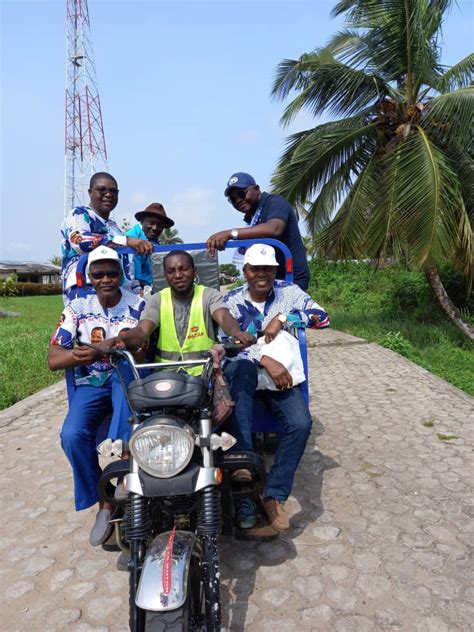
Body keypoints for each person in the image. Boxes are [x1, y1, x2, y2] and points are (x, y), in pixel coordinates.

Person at [222, 243, 329, 534]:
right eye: (255, 268)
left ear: (275, 270)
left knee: (300, 423)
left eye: (267, 269)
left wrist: (283, 319)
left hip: (278, 381)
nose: (261, 275)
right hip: (245, 377)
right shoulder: (230, 301)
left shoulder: (289, 293)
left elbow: (323, 317)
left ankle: (274, 495)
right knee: (241, 370)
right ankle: (244, 487)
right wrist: (265, 358)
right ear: (245, 271)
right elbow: (226, 346)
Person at [48, 246, 146, 546]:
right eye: (99, 273)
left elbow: (142, 349)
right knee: (72, 435)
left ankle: (123, 469)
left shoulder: (137, 304)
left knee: (126, 383)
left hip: (123, 376)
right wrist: (85, 356)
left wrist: (116, 348)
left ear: (121, 274)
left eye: (112, 273)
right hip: (91, 380)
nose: (106, 279)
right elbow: (54, 358)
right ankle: (105, 500)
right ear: (89, 277)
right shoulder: (77, 307)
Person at [101, 250, 254, 373]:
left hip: (205, 372)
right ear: (166, 276)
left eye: (183, 269)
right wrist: (120, 339)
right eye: (171, 271)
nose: (178, 275)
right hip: (166, 374)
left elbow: (223, 316)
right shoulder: (157, 299)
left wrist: (236, 333)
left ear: (194, 272)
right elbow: (142, 330)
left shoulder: (209, 295)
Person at [207, 172, 310, 290]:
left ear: (257, 189)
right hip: (268, 279)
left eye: (241, 194)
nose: (238, 200)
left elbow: (274, 228)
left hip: (290, 278)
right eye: (233, 199)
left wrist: (230, 234)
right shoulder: (251, 218)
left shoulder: (275, 202)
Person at [61, 172, 153, 303]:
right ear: (90, 192)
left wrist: (137, 291)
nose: (108, 194)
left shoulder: (115, 229)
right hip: (85, 292)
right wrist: (126, 240)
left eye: (113, 191)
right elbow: (79, 241)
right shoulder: (79, 215)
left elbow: (126, 268)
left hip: (116, 297)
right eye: (102, 190)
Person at [126, 202, 176, 288]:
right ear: (142, 222)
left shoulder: (155, 243)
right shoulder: (132, 239)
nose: (155, 228)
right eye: (151, 223)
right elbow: (131, 274)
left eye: (159, 225)